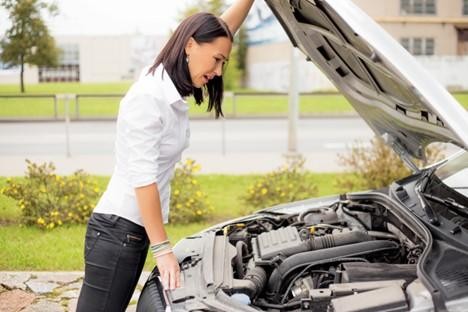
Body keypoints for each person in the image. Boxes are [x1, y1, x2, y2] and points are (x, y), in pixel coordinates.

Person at [76, 1, 255, 311]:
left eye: (223, 62)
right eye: (216, 60)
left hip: (128, 233)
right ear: (189, 45)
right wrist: (163, 249)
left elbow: (220, 30)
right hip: (116, 234)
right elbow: (143, 179)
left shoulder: (166, 81)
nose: (218, 71)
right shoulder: (149, 97)